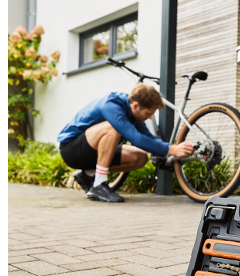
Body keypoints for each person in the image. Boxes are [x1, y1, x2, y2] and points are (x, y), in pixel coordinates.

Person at [57, 84, 194, 202]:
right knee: (112, 129)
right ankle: (99, 184)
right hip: (71, 150)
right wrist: (170, 150)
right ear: (135, 105)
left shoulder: (133, 113)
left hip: (92, 153)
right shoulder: (111, 106)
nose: (150, 117)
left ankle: (88, 175)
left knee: (140, 157)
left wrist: (171, 147)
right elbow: (136, 139)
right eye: (148, 113)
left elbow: (147, 137)